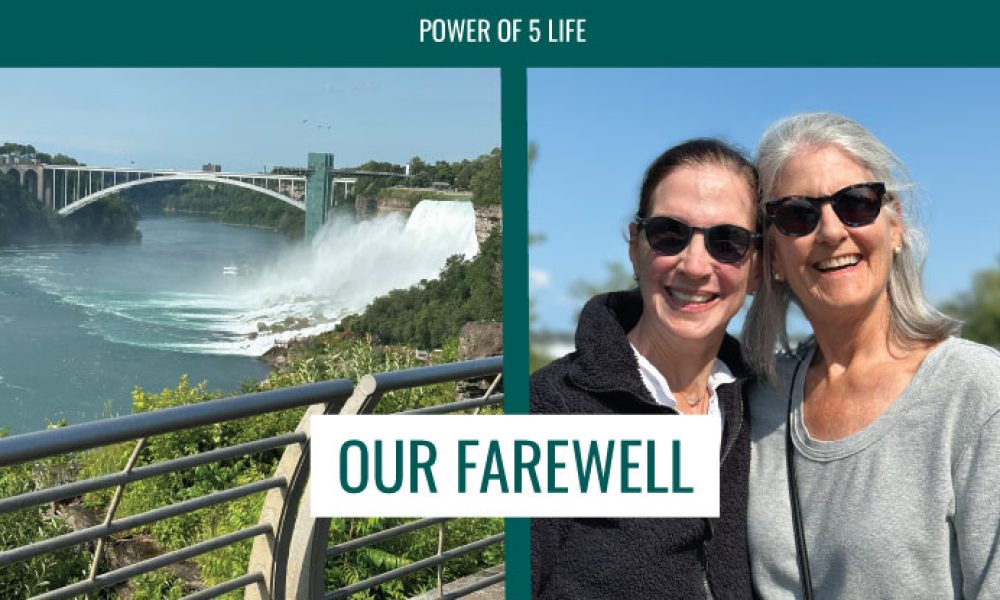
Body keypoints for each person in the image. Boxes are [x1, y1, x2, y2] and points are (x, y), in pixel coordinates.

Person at [743, 112, 1000, 598]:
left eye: (856, 204)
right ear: (772, 256)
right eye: (798, 214)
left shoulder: (977, 394)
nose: (831, 231)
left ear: (895, 225)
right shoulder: (753, 402)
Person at [531, 138, 760, 599]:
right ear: (635, 247)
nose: (695, 265)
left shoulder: (768, 405)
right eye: (669, 235)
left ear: (756, 269)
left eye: (727, 242)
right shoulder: (550, 412)